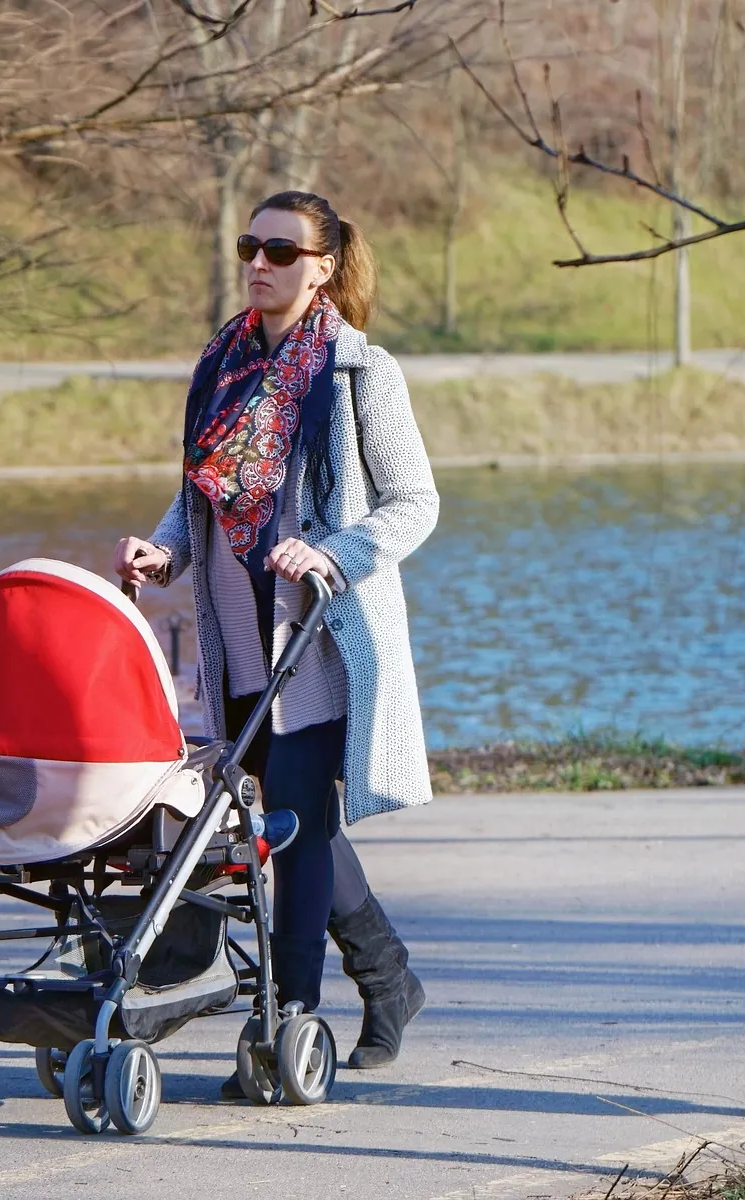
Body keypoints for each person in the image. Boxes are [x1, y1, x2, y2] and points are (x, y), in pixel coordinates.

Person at [115, 190, 437, 1078]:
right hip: (239, 645)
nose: (261, 262)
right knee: (303, 829)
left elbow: (416, 504)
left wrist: (331, 552)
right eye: (253, 246)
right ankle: (389, 976)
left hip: (319, 647)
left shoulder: (357, 373)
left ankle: (284, 1026)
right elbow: (202, 498)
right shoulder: (220, 364)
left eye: (283, 251)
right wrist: (163, 552)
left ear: (323, 267)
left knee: (293, 831)